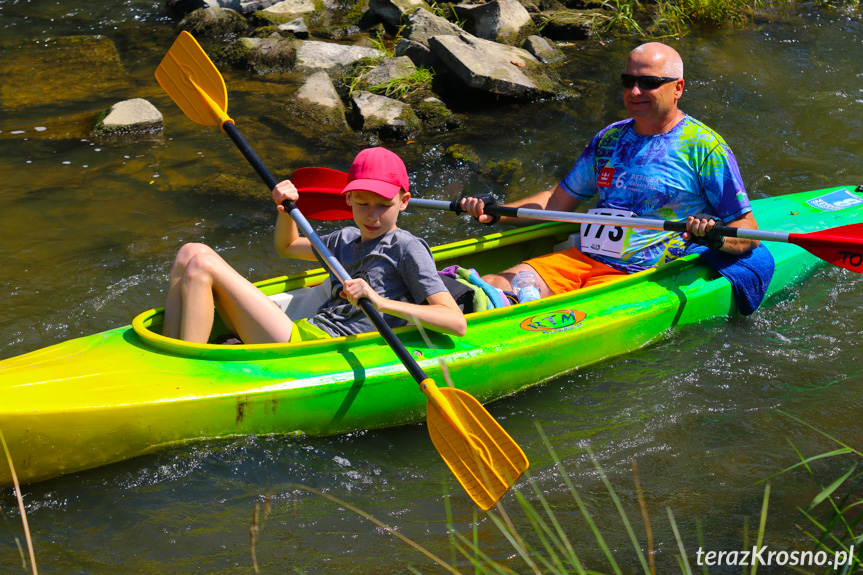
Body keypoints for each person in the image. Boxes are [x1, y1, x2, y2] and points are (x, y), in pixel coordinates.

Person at [460, 42, 761, 298]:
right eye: (628, 81)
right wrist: (497, 212)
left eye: (648, 83)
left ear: (677, 88)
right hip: (585, 258)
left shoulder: (704, 147)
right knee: (491, 286)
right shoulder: (609, 139)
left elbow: (748, 231)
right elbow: (555, 203)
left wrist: (714, 237)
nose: (634, 91)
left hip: (644, 275)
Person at [162, 147, 467, 344]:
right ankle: (170, 346)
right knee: (191, 252)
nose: (372, 216)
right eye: (362, 203)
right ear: (347, 199)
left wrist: (381, 302)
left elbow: (454, 322)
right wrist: (286, 210)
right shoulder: (344, 239)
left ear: (403, 202)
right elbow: (288, 245)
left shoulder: (407, 248)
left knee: (203, 266)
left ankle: (189, 365)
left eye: (383, 205)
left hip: (320, 345)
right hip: (307, 328)